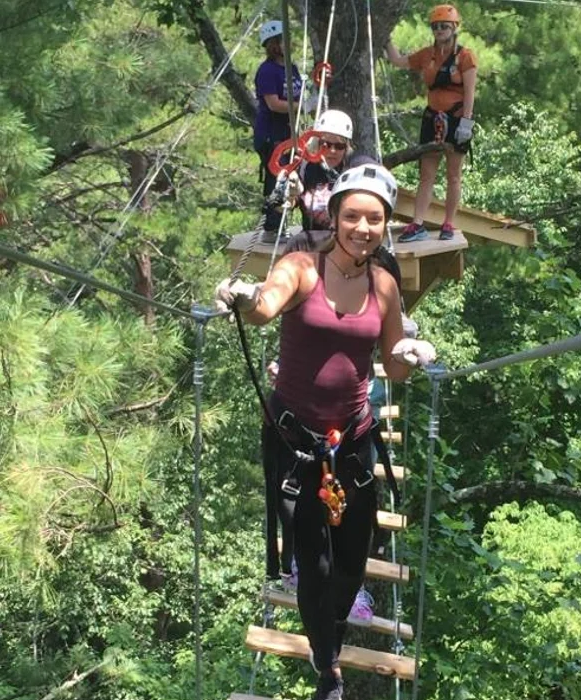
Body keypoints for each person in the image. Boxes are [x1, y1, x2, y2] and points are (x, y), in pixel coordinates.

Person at [216, 164, 436, 699]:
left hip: (355, 441)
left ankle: (329, 635)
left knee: (352, 562)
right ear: (335, 218)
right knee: (312, 563)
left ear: (385, 226)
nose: (363, 227)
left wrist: (411, 356)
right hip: (296, 443)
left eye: (375, 219)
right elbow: (266, 307)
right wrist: (246, 297)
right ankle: (326, 665)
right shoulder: (301, 268)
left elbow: (393, 363)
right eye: (353, 216)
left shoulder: (384, 284)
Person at [386, 4, 478, 242]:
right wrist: (383, 38)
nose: (439, 30)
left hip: (457, 119)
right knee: (426, 174)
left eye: (444, 26)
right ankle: (417, 224)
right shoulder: (427, 55)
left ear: (454, 28)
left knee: (453, 175)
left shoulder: (465, 57)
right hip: (432, 118)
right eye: (436, 27)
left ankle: (448, 223)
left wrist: (466, 125)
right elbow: (398, 61)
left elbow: (469, 93)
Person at [253, 20, 304, 240]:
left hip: (288, 133)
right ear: (274, 44)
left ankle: (284, 222)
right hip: (271, 134)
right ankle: (272, 228)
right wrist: (300, 106)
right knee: (277, 179)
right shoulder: (267, 71)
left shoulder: (291, 68)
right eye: (283, 40)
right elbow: (274, 103)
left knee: (293, 178)